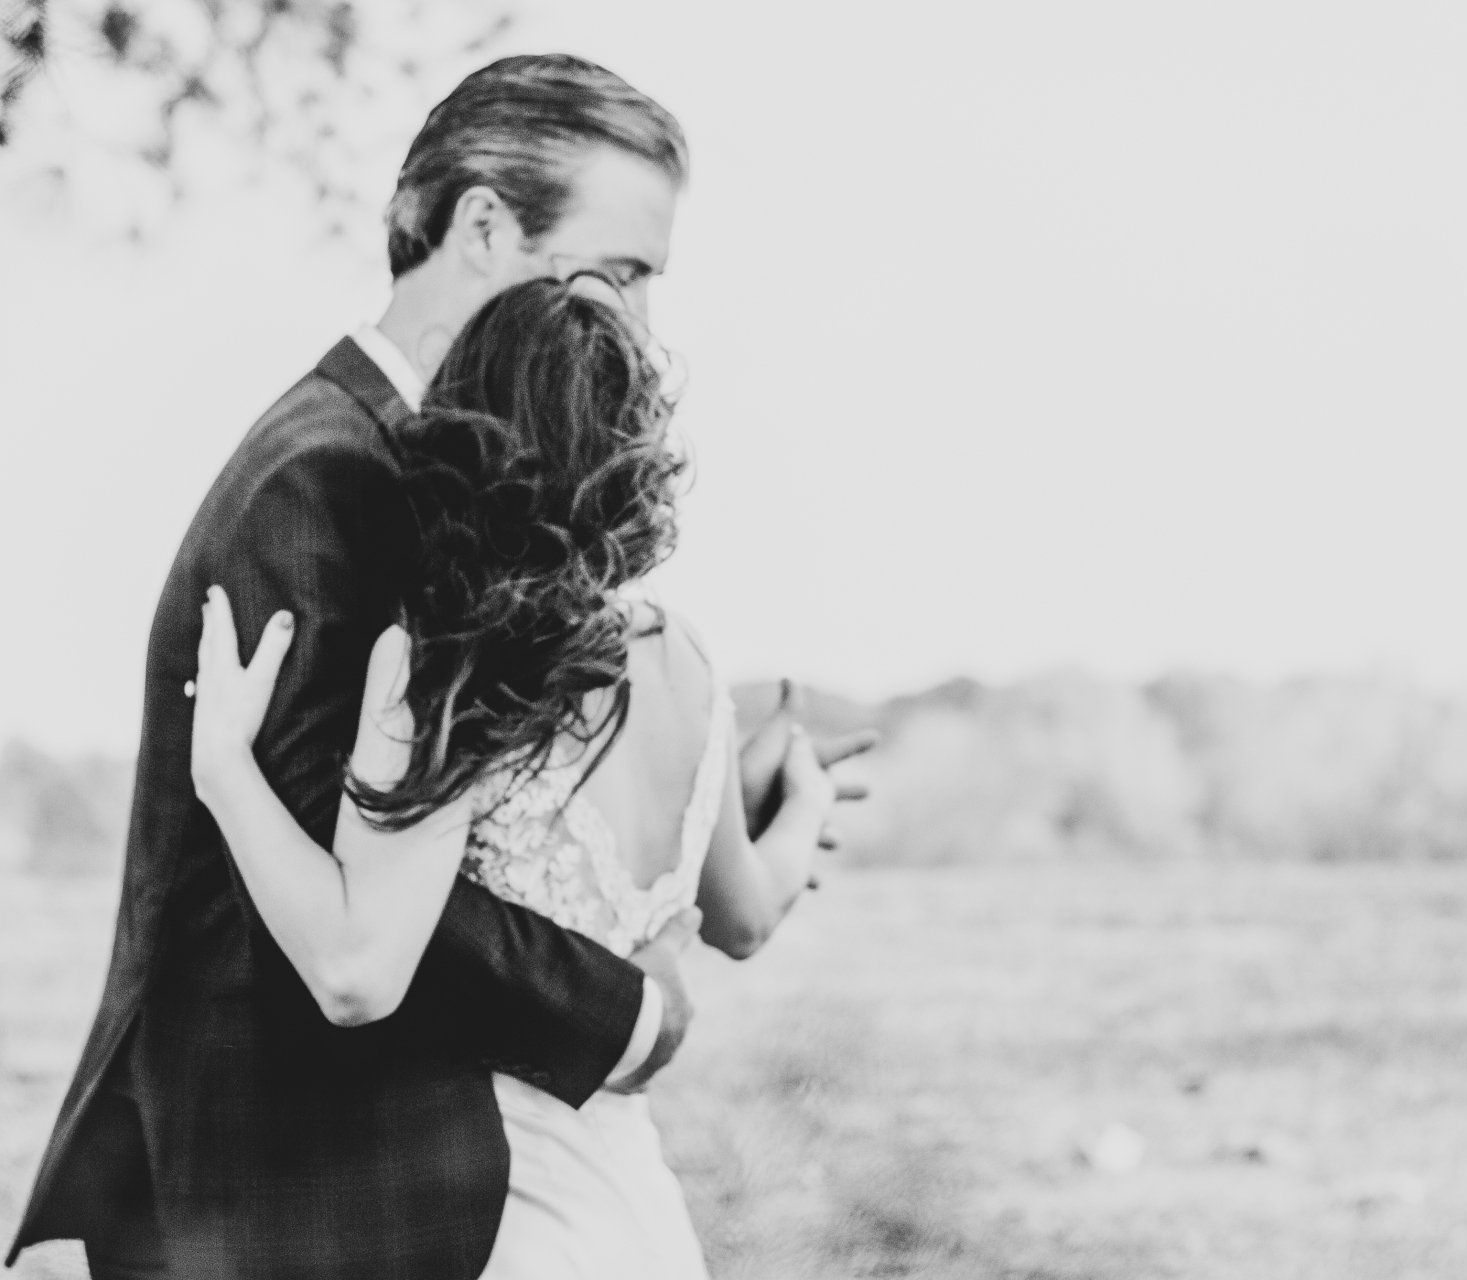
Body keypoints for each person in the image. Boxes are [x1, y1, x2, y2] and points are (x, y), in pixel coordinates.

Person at [5, 54, 866, 1280]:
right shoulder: (326, 479)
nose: (635, 322)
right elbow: (352, 876)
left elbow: (474, 782)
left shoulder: (430, 473)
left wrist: (701, 782)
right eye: (619, 271)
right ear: (480, 225)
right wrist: (627, 1008)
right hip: (292, 1186)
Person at [186, 274, 854, 1278]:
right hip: (642, 1219)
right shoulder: (691, 662)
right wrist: (805, 800)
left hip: (497, 1217)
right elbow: (747, 916)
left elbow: (356, 972)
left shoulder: (453, 661)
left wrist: (226, 770)